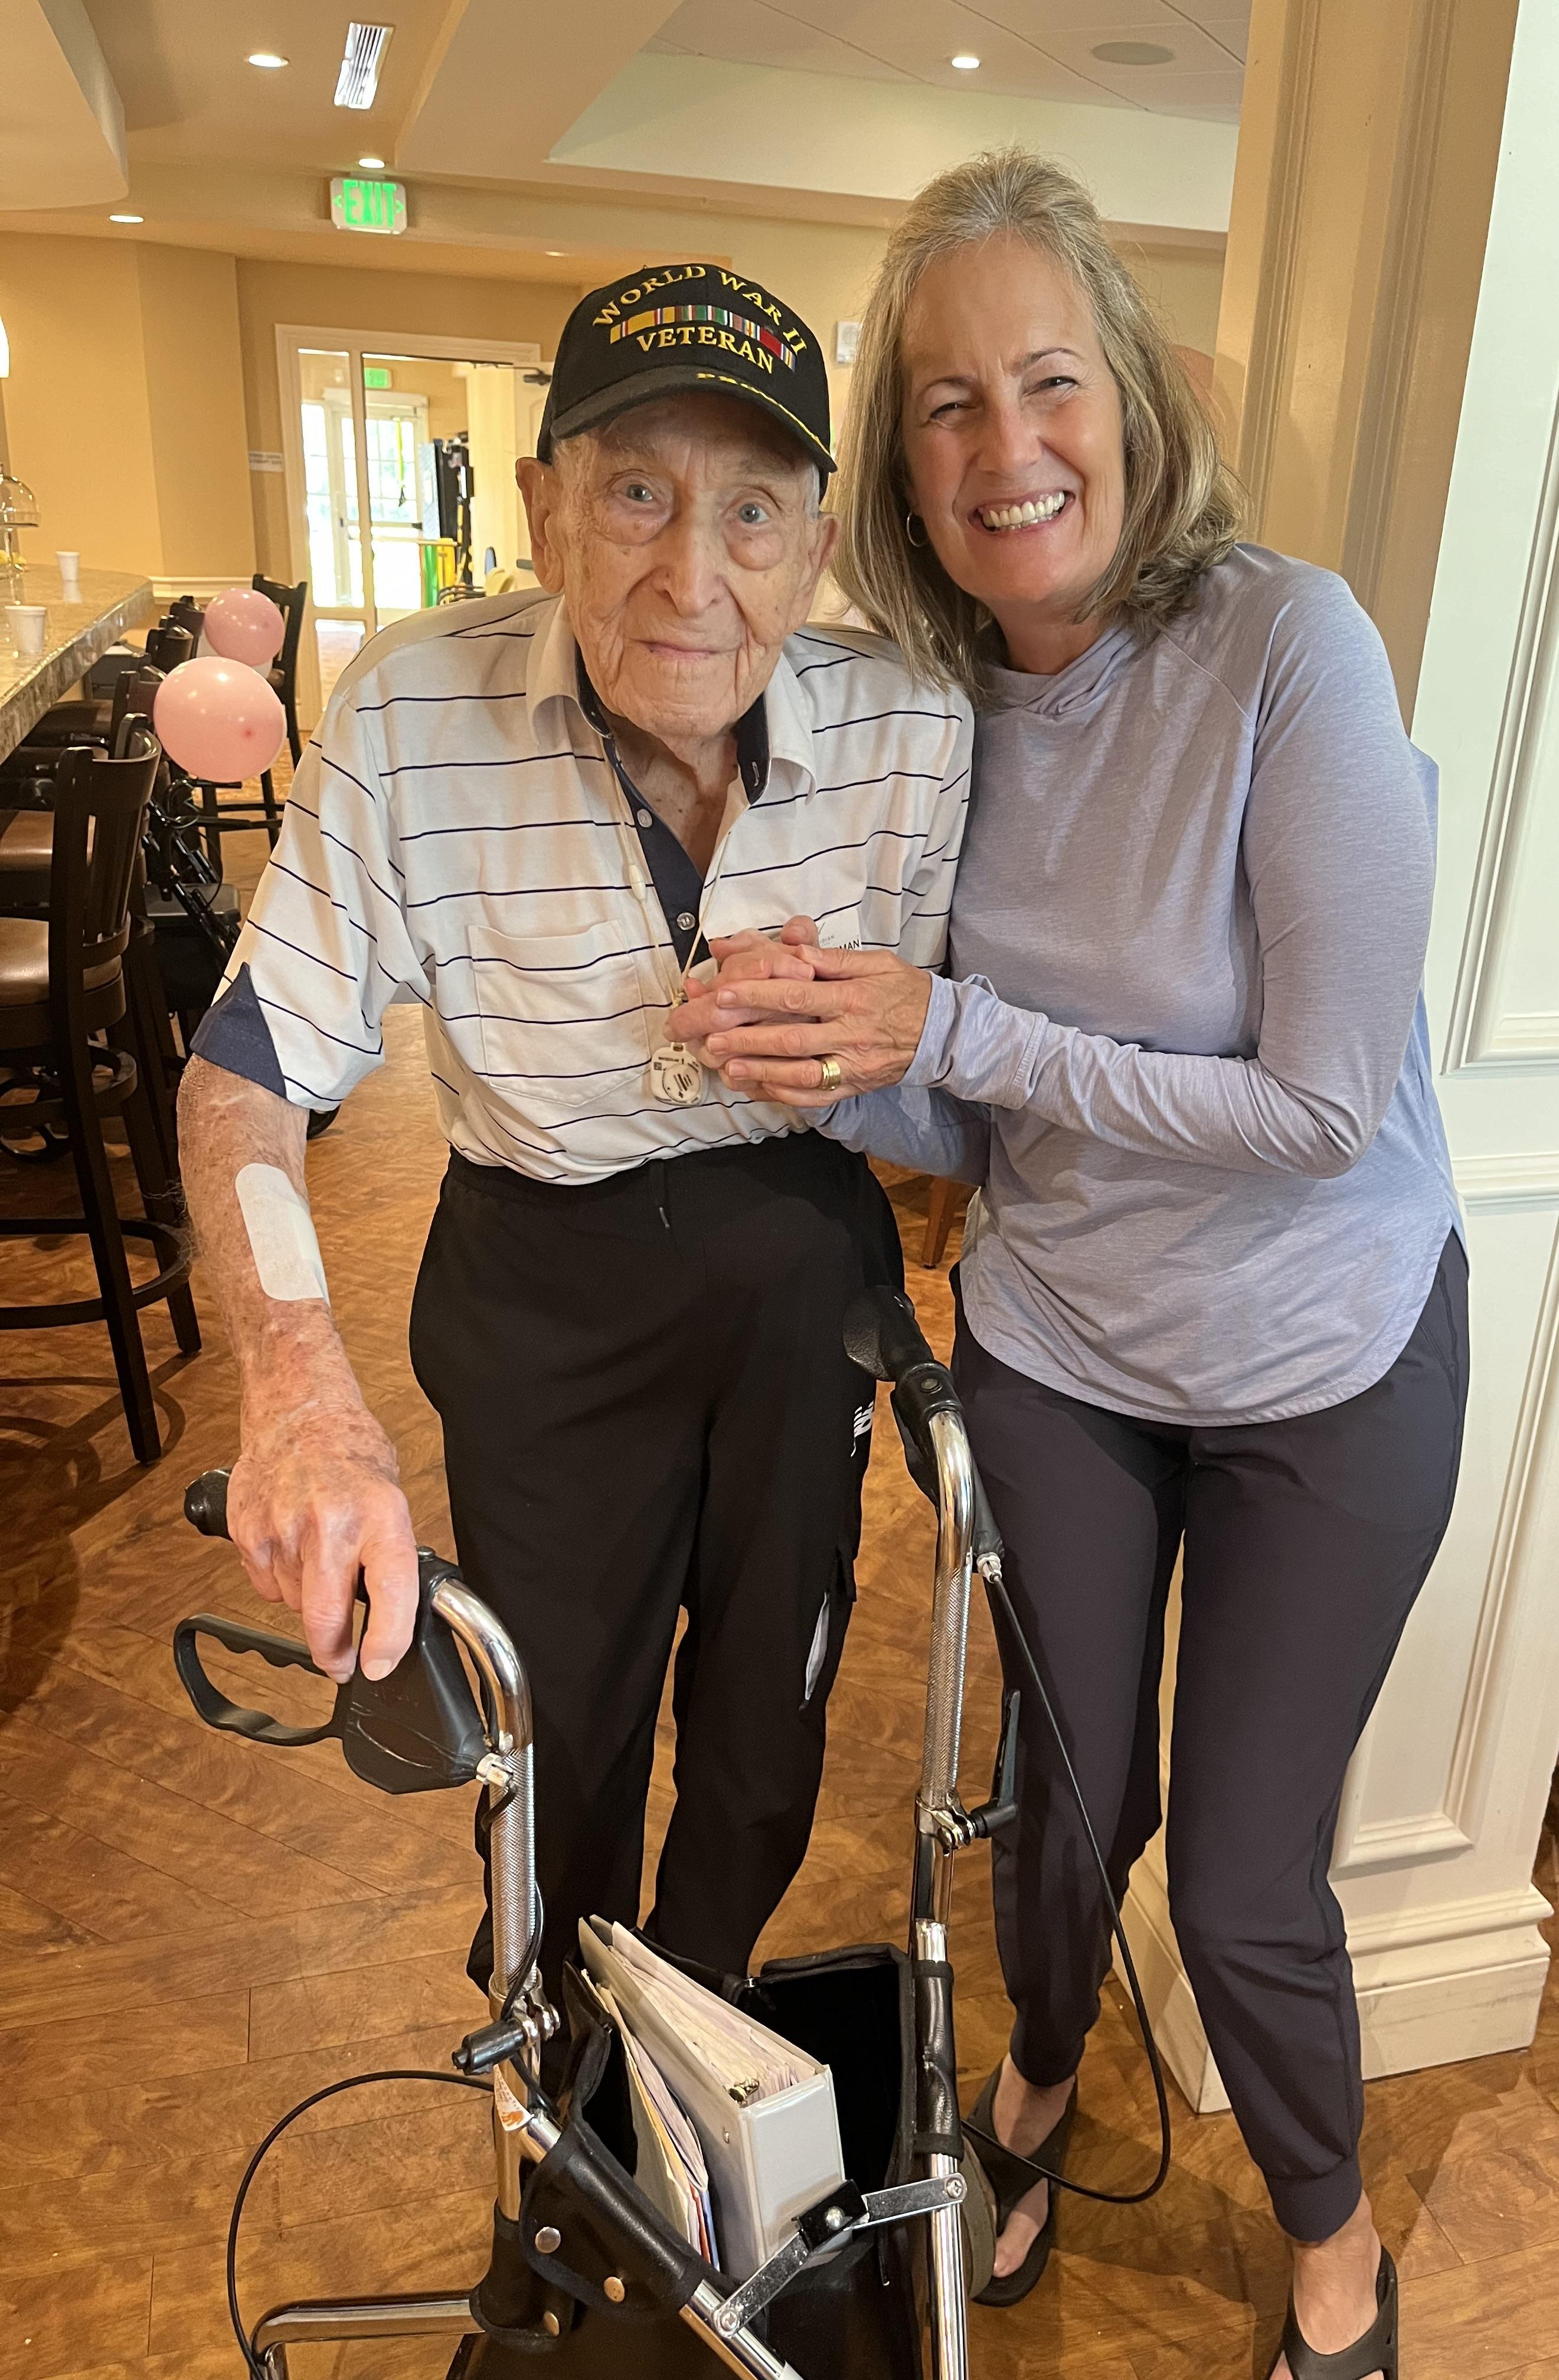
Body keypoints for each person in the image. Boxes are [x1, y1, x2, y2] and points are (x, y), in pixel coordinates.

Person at [679, 153, 1466, 2380]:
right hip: (1062, 1343)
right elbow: (969, 1112)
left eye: (1046, 380)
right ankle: (1035, 2077)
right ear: (900, 463)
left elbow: (1320, 1107)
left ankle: (1330, 2235)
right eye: (943, 404)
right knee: (1055, 1818)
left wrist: (952, 1030)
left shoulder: (1291, 648)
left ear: (1126, 388)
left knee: (1229, 1881)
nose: (1006, 449)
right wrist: (828, 1056)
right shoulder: (928, 720)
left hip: (1328, 1350)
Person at [177, 261, 972, 2053]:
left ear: (819, 539)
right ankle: (563, 2080)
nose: (694, 577)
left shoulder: (915, 731)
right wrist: (295, 1376)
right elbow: (245, 1069)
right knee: (565, 1738)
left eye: (753, 511)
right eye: (637, 495)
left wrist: (865, 1057)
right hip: (542, 1281)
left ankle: (684, 2051)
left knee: (770, 1743)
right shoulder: (407, 710)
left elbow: (966, 1091)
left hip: (798, 1273)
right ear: (540, 505)